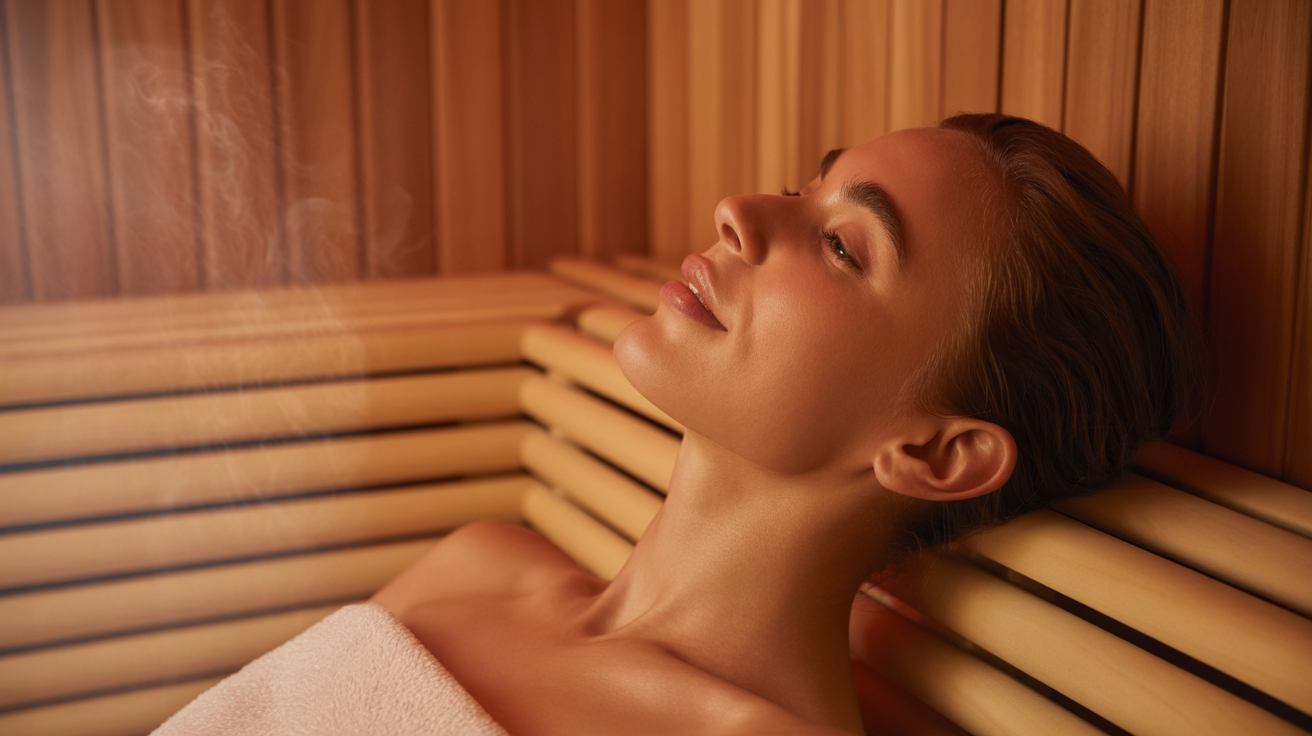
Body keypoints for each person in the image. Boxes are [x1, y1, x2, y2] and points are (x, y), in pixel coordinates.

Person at [372, 113, 1201, 736]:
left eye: (844, 246)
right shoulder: (475, 564)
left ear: (935, 453)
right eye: (807, 188)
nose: (740, 209)